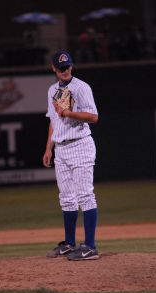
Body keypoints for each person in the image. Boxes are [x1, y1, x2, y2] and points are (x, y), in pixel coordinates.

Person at [43, 50, 99, 260]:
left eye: (68, 67)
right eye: (61, 68)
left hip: (80, 145)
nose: (65, 71)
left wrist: (68, 113)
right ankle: (69, 243)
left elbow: (93, 116)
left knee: (85, 195)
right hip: (61, 148)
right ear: (54, 69)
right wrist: (49, 147)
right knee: (66, 198)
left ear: (71, 66)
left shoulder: (81, 87)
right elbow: (53, 120)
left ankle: (91, 246)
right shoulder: (51, 90)